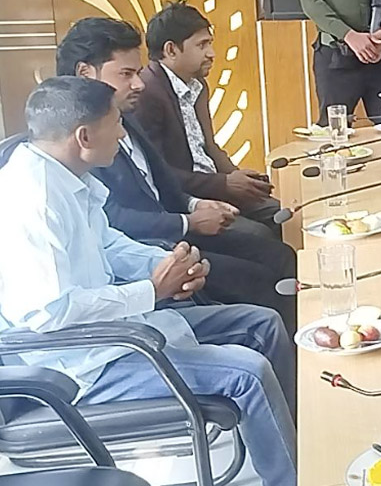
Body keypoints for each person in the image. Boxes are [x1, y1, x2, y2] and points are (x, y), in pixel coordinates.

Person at [0, 77, 296, 486]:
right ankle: (291, 478)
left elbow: (109, 244)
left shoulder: (68, 176)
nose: (123, 134)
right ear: (84, 136)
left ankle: (291, 439)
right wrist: (153, 291)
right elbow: (50, 312)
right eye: (116, 123)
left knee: (262, 324)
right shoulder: (33, 201)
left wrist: (173, 264)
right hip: (81, 365)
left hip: (118, 331)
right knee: (248, 372)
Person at [56, 17, 296, 329]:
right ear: (85, 74)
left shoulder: (125, 114)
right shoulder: (78, 142)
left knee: (279, 255)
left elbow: (160, 182)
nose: (139, 84)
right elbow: (112, 220)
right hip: (152, 251)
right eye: (126, 74)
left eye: (138, 72)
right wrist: (188, 221)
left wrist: (196, 204)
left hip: (175, 232)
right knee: (261, 280)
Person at [135, 2, 282, 236]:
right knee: (259, 235)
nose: (211, 53)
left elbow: (208, 147)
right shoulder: (146, 93)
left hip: (214, 188)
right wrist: (225, 184)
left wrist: (239, 178)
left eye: (210, 44)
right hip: (185, 203)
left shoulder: (198, 85)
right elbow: (157, 172)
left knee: (283, 214)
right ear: (171, 50)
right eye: (202, 45)